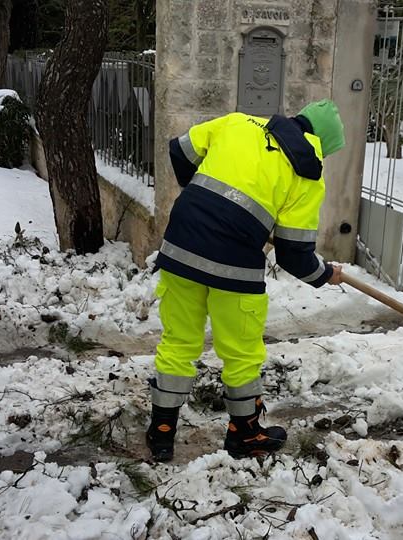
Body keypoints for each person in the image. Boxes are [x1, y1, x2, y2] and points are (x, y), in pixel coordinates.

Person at [146, 100, 346, 461]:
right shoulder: (306, 174)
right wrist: (325, 274)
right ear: (319, 144)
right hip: (234, 267)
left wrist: (202, 200)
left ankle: (161, 432)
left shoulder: (238, 123)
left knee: (178, 341)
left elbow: (180, 150)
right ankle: (244, 434)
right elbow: (294, 254)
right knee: (241, 353)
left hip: (181, 246)